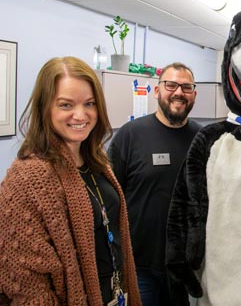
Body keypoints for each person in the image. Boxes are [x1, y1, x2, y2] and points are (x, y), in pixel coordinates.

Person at [0, 56, 140, 304]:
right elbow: (27, 285)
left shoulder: (97, 162)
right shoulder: (28, 177)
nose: (80, 115)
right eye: (66, 105)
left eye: (89, 103)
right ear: (45, 108)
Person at [108, 62, 202, 306]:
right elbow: (109, 198)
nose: (179, 92)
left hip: (186, 267)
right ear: (157, 90)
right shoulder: (130, 135)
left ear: (194, 94)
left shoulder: (203, 140)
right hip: (140, 266)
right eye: (171, 85)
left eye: (186, 86)